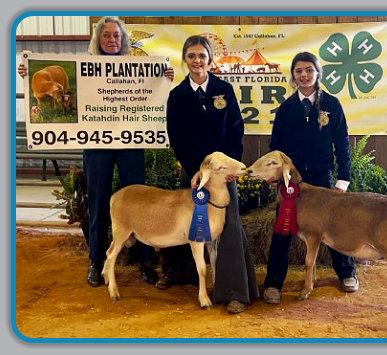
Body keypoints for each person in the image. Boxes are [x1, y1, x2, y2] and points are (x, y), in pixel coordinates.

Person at [18, 16, 175, 288]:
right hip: (97, 143)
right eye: (106, 36)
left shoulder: (138, 66)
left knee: (139, 201)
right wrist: (28, 72)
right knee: (98, 201)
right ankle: (97, 261)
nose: (112, 40)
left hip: (130, 142)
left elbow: (157, 92)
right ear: (98, 39)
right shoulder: (83, 67)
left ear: (123, 39)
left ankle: (144, 260)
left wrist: (164, 78)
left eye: (116, 35)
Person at [164, 35, 259, 314]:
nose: (197, 61)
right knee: (182, 224)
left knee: (229, 226)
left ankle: (234, 291)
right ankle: (178, 275)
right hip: (194, 174)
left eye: (202, 56)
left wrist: (230, 168)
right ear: (185, 60)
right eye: (191, 56)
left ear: (210, 59)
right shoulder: (177, 95)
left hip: (222, 177)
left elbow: (236, 130)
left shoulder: (224, 90)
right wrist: (195, 171)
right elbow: (176, 137)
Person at [262, 52, 359, 305]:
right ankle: (273, 283)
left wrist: (342, 181)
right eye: (298, 71)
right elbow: (276, 148)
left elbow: (343, 146)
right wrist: (275, 176)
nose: (304, 75)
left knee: (335, 227)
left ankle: (347, 272)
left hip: (322, 177)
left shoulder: (332, 105)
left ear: (317, 73)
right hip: (291, 182)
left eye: (308, 70)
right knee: (282, 230)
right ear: (293, 76)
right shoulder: (286, 109)